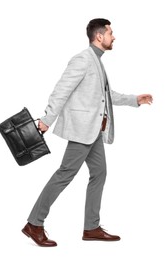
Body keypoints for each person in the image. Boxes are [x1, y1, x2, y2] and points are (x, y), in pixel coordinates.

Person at [22, 18, 153, 247]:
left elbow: (105, 94)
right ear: (99, 36)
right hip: (82, 131)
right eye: (111, 33)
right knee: (65, 174)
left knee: (99, 173)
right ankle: (34, 223)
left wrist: (134, 100)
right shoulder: (83, 59)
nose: (114, 36)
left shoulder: (97, 61)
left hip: (93, 132)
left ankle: (91, 227)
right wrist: (47, 119)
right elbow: (61, 90)